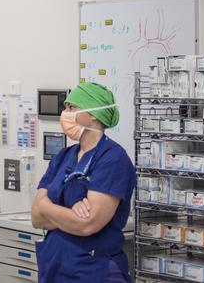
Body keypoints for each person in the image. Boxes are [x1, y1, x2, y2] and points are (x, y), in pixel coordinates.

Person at [31, 82, 136, 283]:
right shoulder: (63, 156)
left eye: (71, 108)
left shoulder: (113, 159)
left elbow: (88, 224)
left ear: (93, 114)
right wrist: (68, 213)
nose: (65, 113)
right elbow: (36, 218)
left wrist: (46, 206)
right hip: (56, 266)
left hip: (93, 269)